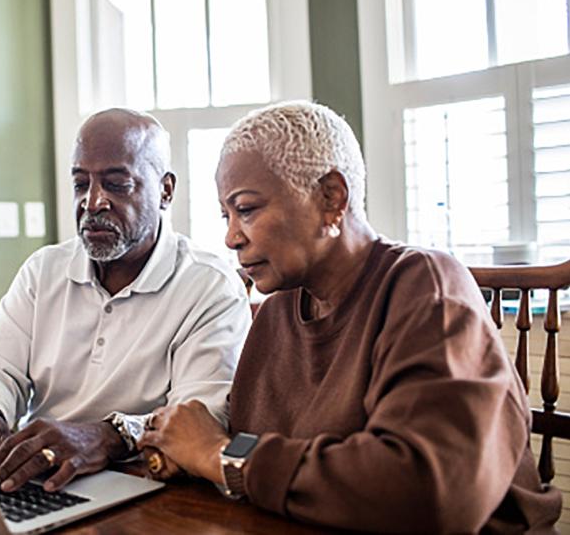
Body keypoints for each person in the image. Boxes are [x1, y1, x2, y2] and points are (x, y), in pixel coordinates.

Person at [138, 101, 561, 533]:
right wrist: (195, 450)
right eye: (226, 215)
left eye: (246, 209)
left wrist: (219, 456)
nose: (231, 237)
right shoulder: (277, 312)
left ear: (331, 198)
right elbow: (259, 448)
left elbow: (431, 495)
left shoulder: (427, 287)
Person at [0, 108, 251, 494]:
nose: (92, 202)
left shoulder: (209, 286)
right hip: (34, 479)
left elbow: (203, 415)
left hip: (142, 486)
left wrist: (110, 436)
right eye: (80, 184)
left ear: (165, 190)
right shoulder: (44, 271)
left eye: (116, 184)